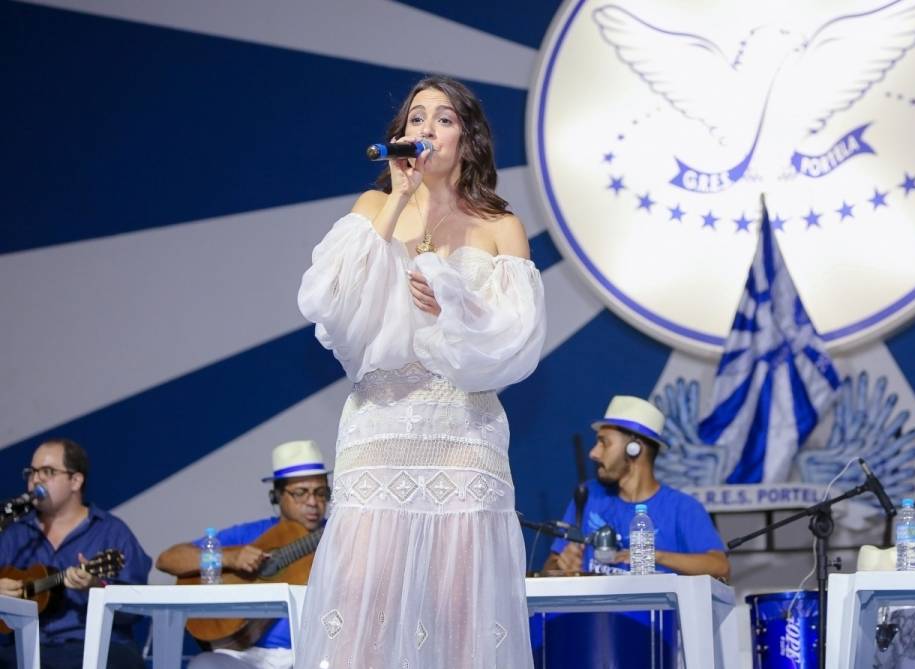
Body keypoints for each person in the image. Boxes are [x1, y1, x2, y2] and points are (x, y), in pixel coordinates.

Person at [294, 75, 545, 668]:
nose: (425, 128)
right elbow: (330, 302)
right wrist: (400, 199)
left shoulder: (499, 225)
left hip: (461, 431)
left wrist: (454, 305)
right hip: (379, 429)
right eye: (415, 118)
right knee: (360, 605)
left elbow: (515, 342)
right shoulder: (374, 206)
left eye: (443, 118)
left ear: (468, 138)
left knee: (460, 612)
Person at [155, 440, 330, 669]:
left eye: (320, 493)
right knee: (204, 665)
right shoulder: (250, 534)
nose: (312, 502)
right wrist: (227, 558)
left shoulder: (340, 536)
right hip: (245, 656)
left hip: (314, 654)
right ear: (276, 496)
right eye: (300, 493)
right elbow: (168, 559)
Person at [0, 438, 151, 669]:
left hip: (95, 646)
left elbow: (137, 608)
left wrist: (96, 588)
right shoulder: (15, 534)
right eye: (32, 472)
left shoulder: (111, 531)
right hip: (24, 647)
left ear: (76, 480)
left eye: (47, 471)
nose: (36, 479)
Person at [544, 395, 729, 578]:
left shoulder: (682, 508)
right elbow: (548, 570)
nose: (593, 453)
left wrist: (654, 556)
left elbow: (720, 567)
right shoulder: (587, 495)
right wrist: (560, 566)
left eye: (604, 443)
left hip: (656, 609)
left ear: (635, 448)